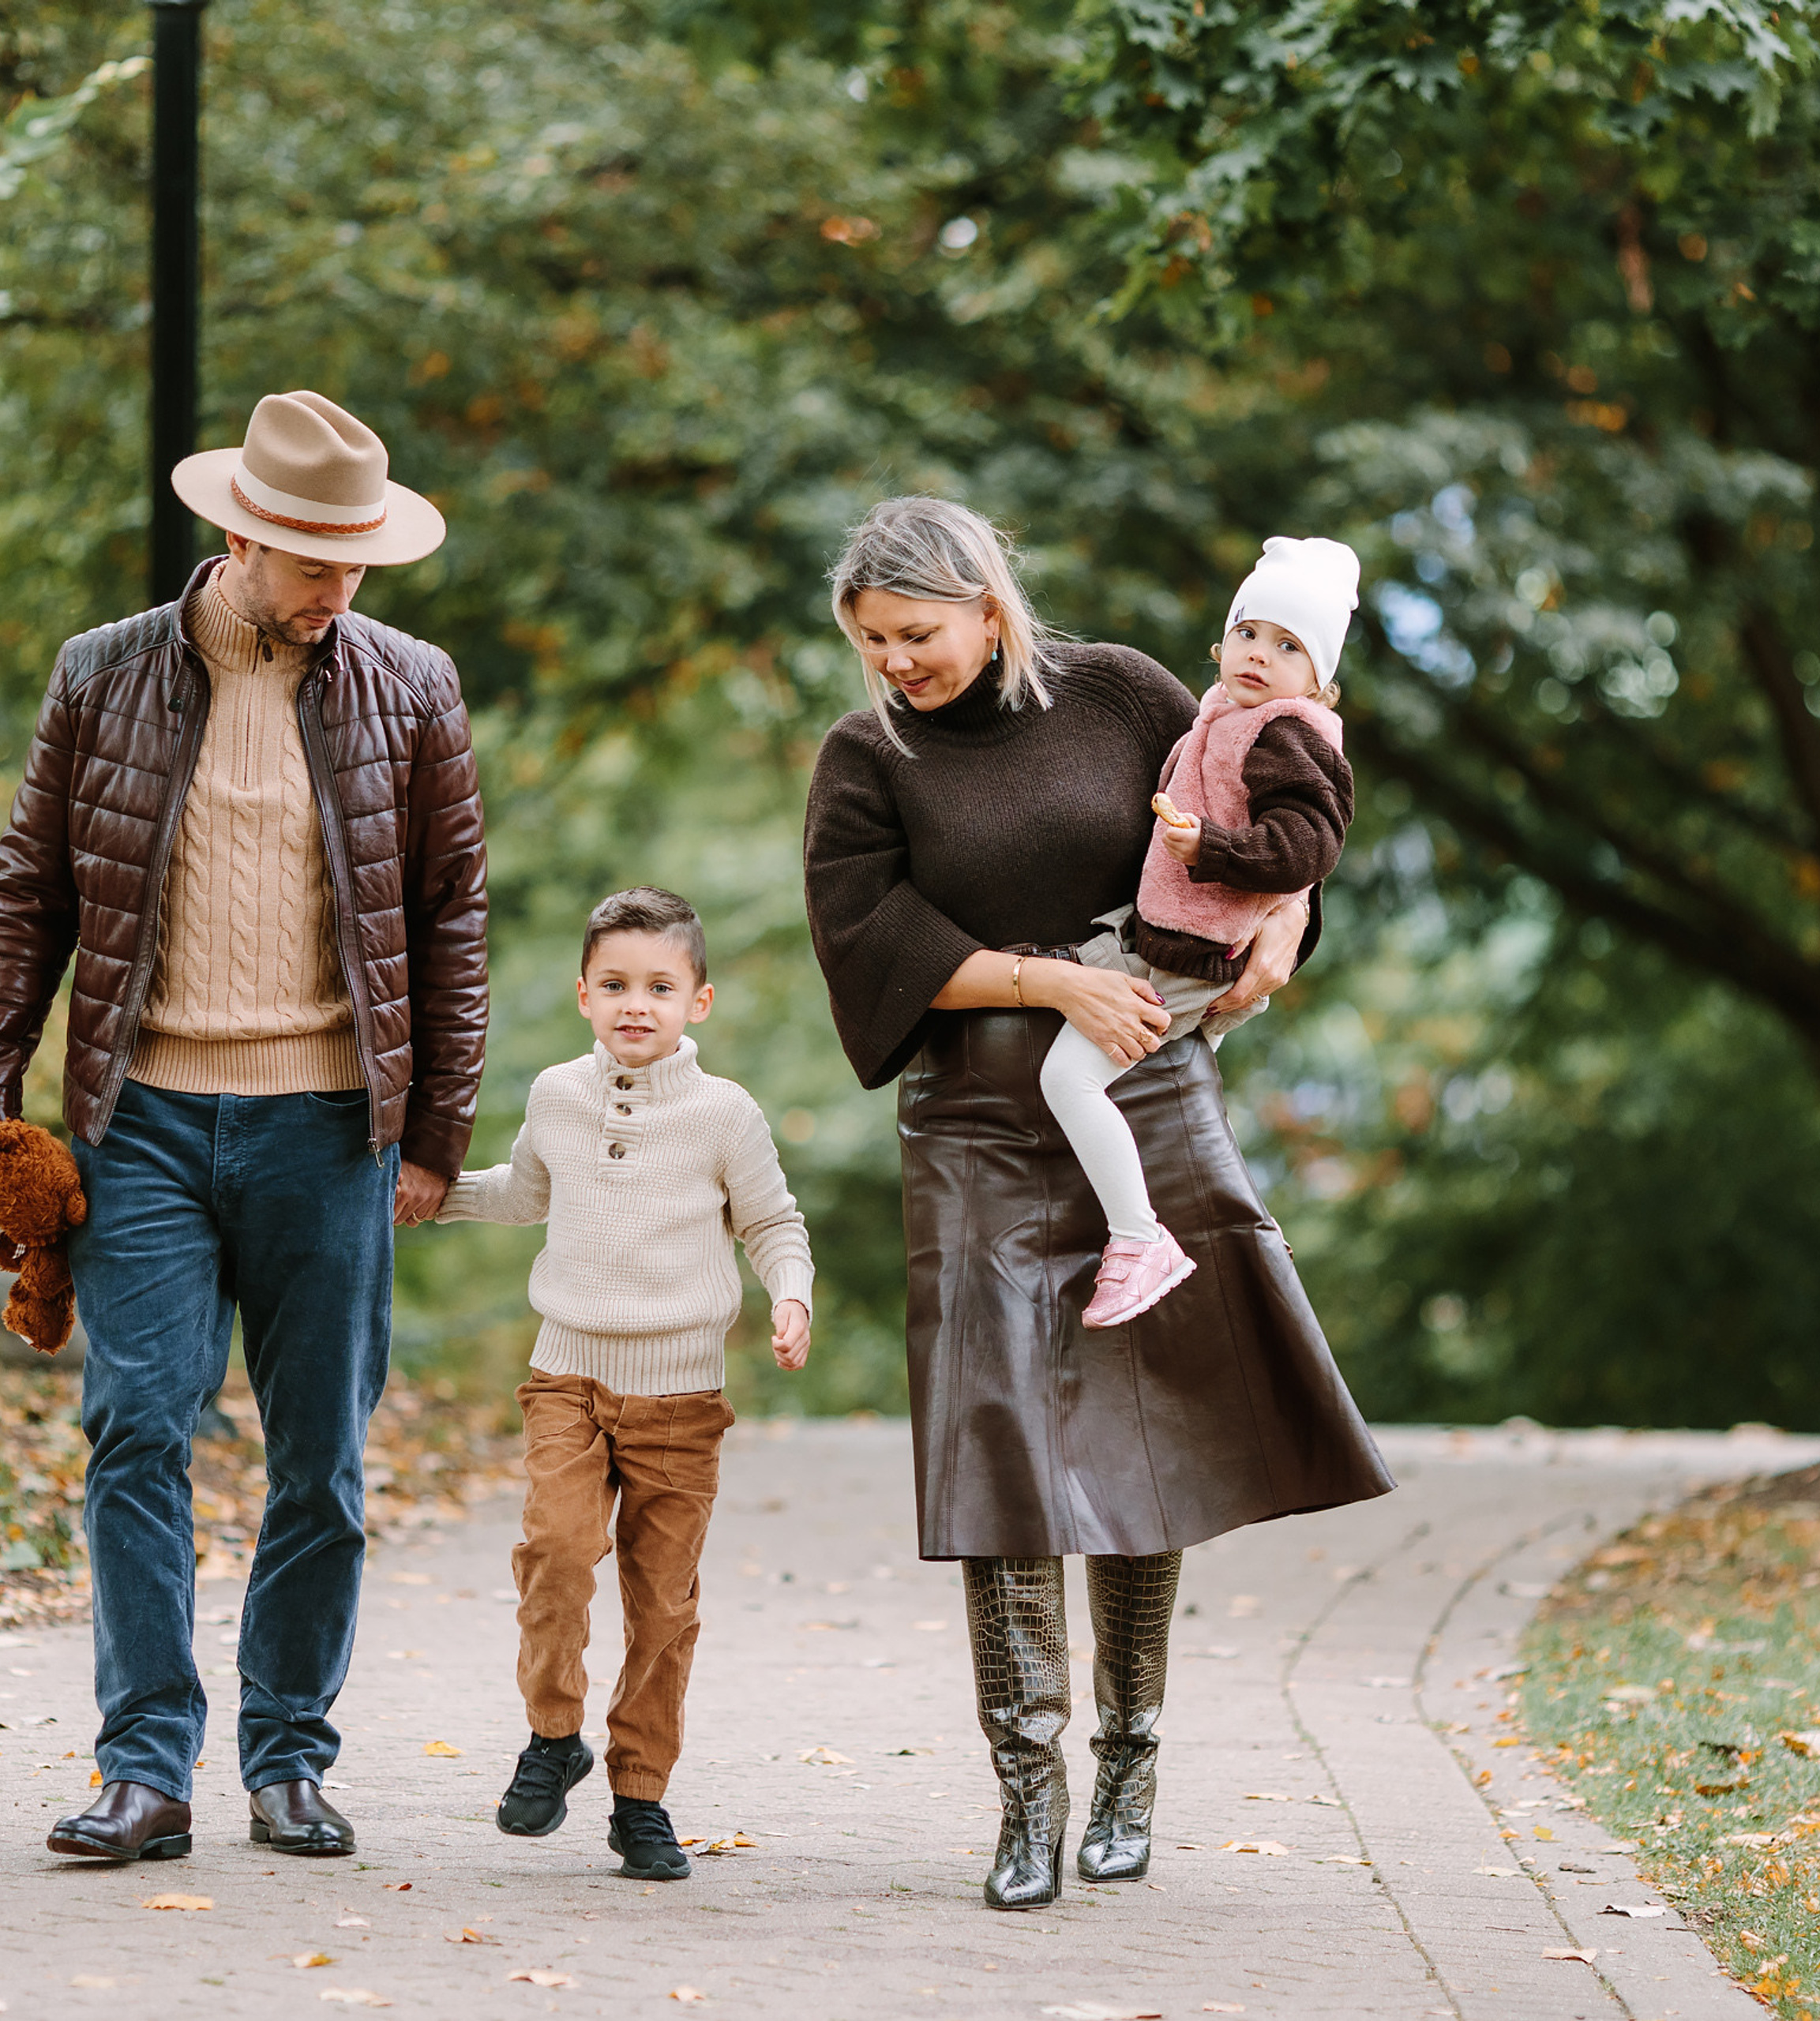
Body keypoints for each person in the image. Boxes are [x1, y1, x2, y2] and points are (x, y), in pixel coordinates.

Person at [801, 495, 1391, 1911]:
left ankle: (1130, 1765)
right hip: (977, 1119)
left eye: (919, 633)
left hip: (1150, 1097)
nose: (898, 662)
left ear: (988, 605)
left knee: (1145, 1445)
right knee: (999, 1454)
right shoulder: (866, 757)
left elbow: (1275, 798)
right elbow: (867, 938)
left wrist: (1288, 928)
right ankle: (1028, 1795)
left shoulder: (1126, 692)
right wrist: (1046, 978)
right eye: (874, 641)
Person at [0, 390, 489, 1864]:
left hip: (329, 1128)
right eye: (314, 562)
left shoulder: (412, 685)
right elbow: (25, 903)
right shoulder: (103, 674)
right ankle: (146, 1768)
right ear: (241, 532)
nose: (336, 592)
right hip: (148, 1123)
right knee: (135, 1428)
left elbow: (450, 918)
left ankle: (290, 1757)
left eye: (355, 564)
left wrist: (432, 1129)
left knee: (321, 1461)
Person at [434, 887, 812, 1882]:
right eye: (614, 985)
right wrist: (424, 1195)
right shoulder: (556, 1094)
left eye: (658, 985)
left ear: (700, 1000)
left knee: (663, 1602)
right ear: (582, 995)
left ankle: (639, 1794)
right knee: (555, 1550)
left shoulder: (725, 1114)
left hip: (681, 1399)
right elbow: (520, 1195)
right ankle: (553, 1733)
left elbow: (772, 1223)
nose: (634, 1003)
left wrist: (791, 1294)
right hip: (566, 1373)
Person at [1038, 535, 1360, 1328]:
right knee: (1121, 1046)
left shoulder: (1287, 733)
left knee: (1066, 1079)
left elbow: (1308, 845)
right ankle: (1202, 1231)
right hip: (1165, 933)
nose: (1260, 656)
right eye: (1249, 633)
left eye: (1289, 647)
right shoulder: (1220, 713)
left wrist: (1212, 849)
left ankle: (1139, 1238)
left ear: (1321, 681)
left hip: (1195, 953)